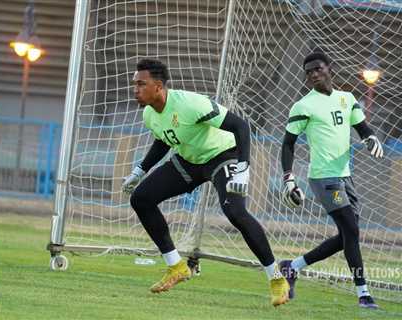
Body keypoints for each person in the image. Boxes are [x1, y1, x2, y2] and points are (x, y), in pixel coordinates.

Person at [122, 58, 290, 306]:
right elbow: (163, 139)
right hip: (190, 161)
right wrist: (140, 170)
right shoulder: (149, 114)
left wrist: (243, 168)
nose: (135, 89)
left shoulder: (191, 104)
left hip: (222, 156)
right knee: (141, 199)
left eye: (140, 84)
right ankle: (176, 266)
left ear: (158, 86)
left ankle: (277, 279)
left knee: (235, 211)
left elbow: (240, 126)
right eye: (134, 84)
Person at [278, 51, 382, 309]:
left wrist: (371, 138)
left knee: (349, 235)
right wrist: (289, 178)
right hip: (324, 178)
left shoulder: (347, 99)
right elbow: (288, 144)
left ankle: (292, 267)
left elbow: (362, 128)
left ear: (329, 68)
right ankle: (363, 294)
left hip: (345, 176)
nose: (313, 74)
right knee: (351, 230)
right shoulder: (304, 106)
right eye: (309, 72)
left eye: (318, 68)